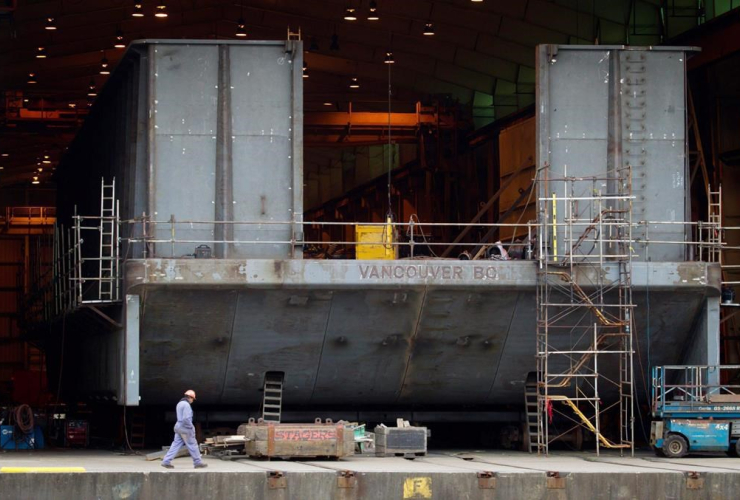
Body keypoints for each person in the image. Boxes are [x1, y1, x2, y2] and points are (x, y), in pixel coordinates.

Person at [161, 390, 207, 469]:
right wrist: (191, 427)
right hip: (185, 428)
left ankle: (166, 461)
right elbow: (186, 418)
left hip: (178, 427)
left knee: (175, 445)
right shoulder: (186, 405)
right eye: (193, 399)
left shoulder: (179, 404)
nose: (192, 401)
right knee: (193, 445)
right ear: (190, 397)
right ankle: (197, 462)